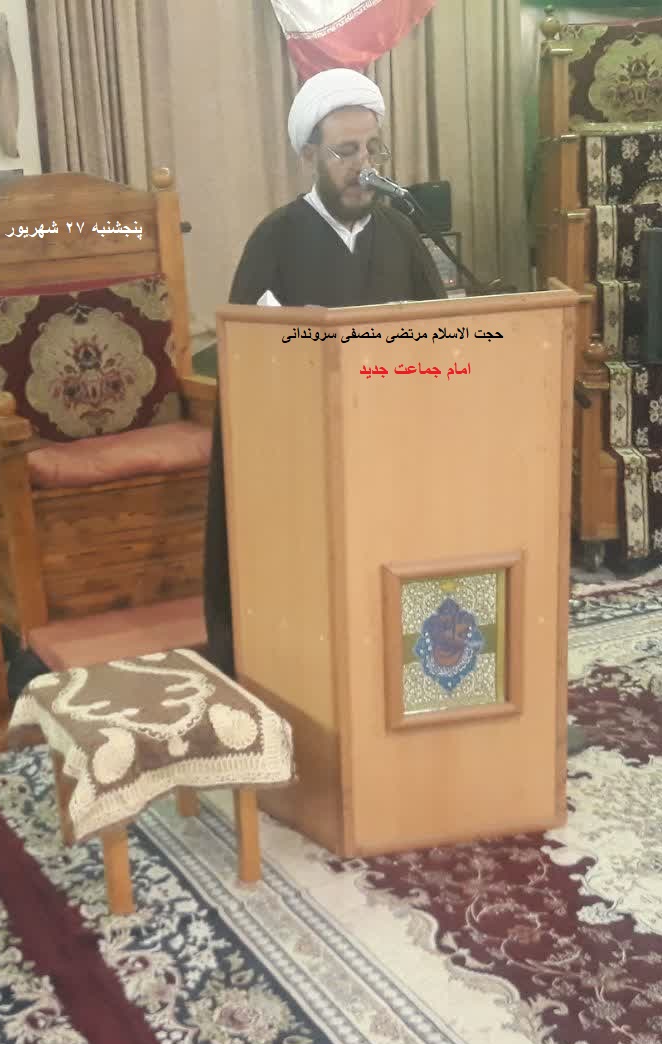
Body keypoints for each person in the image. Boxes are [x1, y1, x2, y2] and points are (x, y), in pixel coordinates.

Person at [202, 67, 448, 678]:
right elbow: (248, 368)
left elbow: (443, 338)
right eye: (345, 152)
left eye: (373, 149)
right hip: (303, 461)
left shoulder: (401, 233)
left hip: (397, 452)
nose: (363, 165)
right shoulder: (275, 240)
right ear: (309, 156)